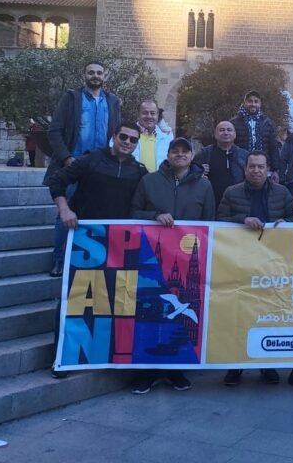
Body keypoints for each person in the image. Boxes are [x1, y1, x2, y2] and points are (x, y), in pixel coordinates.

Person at [48, 120, 148, 378]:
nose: (127, 142)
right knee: (75, 299)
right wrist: (64, 209)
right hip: (86, 241)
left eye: (133, 140)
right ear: (114, 136)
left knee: (117, 300)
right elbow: (57, 181)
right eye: (123, 137)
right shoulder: (90, 160)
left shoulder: (139, 171)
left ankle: (108, 354)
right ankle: (63, 357)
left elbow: (149, 200)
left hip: (120, 245)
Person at [128, 136, 215, 394]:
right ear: (167, 155)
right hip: (153, 261)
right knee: (152, 314)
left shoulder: (204, 186)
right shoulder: (149, 181)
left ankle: (176, 370)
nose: (180, 155)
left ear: (192, 156)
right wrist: (154, 216)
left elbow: (210, 222)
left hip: (187, 263)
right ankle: (147, 372)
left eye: (185, 151)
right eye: (174, 151)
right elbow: (133, 213)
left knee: (182, 319)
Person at [216, 150, 293, 387]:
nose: (256, 171)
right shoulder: (231, 192)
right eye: (252, 166)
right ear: (245, 169)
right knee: (238, 315)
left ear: (268, 169)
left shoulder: (282, 192)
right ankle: (235, 365)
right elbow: (219, 221)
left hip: (271, 263)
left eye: (261, 167)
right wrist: (242, 219)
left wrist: (286, 223)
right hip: (240, 262)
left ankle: (266, 364)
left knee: (268, 313)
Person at [45, 60, 121, 278]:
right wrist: (67, 158)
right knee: (66, 213)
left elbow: (116, 133)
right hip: (75, 165)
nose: (95, 76)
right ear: (84, 75)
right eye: (91, 72)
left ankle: (91, 259)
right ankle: (59, 259)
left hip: (101, 167)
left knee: (96, 214)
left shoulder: (113, 101)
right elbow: (54, 131)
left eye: (99, 73)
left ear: (105, 76)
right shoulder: (72, 98)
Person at [194, 120, 248, 205]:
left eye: (229, 130)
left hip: (237, 202)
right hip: (211, 201)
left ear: (235, 134)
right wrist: (199, 170)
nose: (226, 133)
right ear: (215, 134)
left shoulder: (244, 155)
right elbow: (190, 172)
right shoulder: (205, 153)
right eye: (222, 130)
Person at [230, 91, 282, 176]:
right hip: (240, 168)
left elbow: (273, 147)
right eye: (250, 101)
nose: (253, 104)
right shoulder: (234, 123)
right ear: (244, 103)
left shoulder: (267, 123)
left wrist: (275, 170)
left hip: (262, 168)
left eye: (256, 101)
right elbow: (230, 146)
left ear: (260, 104)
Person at [132, 99, 174, 172]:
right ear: (138, 114)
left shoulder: (168, 140)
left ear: (157, 115)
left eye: (152, 113)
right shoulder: (125, 136)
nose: (149, 116)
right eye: (145, 113)